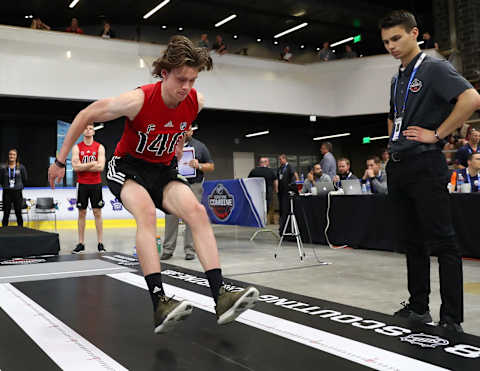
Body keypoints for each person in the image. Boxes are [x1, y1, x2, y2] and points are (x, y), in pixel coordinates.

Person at [48, 35, 259, 334]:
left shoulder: (194, 102)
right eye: (180, 79)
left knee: (197, 213)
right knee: (146, 214)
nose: (186, 87)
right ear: (164, 73)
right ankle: (159, 303)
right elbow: (85, 116)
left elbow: (178, 130)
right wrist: (59, 163)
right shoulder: (138, 100)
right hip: (127, 168)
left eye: (193, 80)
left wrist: (173, 153)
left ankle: (221, 296)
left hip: (162, 171)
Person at [380, 10, 480, 332]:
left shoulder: (434, 67)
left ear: (414, 33)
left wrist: (437, 134)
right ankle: (418, 307)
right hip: (400, 165)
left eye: (396, 38)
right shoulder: (398, 76)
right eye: (386, 42)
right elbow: (395, 116)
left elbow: (471, 98)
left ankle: (451, 318)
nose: (391, 46)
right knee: (412, 241)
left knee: (443, 241)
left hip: (425, 162)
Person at [161, 125, 214, 261]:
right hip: (173, 184)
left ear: (192, 131)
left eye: (189, 129)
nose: (186, 132)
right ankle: (168, 250)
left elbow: (211, 165)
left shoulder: (200, 146)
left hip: (193, 185)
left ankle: (190, 250)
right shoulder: (169, 145)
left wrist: (199, 165)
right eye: (183, 129)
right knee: (171, 215)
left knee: (192, 216)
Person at [71, 124, 106, 254]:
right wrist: (92, 163)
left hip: (96, 184)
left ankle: (100, 243)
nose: (88, 130)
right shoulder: (77, 148)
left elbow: (100, 167)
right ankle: (81, 243)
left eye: (91, 128)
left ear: (94, 132)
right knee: (82, 213)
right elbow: (75, 167)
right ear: (82, 131)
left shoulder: (99, 147)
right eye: (85, 128)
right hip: (82, 184)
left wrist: (83, 165)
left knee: (97, 213)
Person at [1, 149, 28, 227]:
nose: (11, 156)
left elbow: (25, 179)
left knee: (18, 212)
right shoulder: (3, 167)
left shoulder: (21, 167)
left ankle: (21, 229)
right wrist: (6, 186)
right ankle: (4, 231)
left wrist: (18, 186)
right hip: (7, 193)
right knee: (6, 212)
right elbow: (1, 179)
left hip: (17, 192)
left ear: (16, 156)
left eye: (13, 154)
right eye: (10, 154)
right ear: (8, 156)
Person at [248, 157, 278, 224]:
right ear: (265, 162)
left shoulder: (254, 170)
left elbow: (249, 180)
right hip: (267, 192)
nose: (268, 163)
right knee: (267, 206)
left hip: (256, 192)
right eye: (267, 162)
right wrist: (276, 190)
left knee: (257, 205)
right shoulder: (270, 171)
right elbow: (275, 181)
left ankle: (257, 219)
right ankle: (265, 220)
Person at [276, 154, 298, 234]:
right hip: (281, 191)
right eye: (279, 160)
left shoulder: (289, 167)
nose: (280, 161)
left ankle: (286, 227)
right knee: (281, 209)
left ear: (285, 159)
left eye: (281, 159)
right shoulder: (280, 168)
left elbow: (295, 175)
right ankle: (281, 227)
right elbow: (278, 178)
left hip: (287, 190)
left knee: (285, 209)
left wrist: (296, 185)